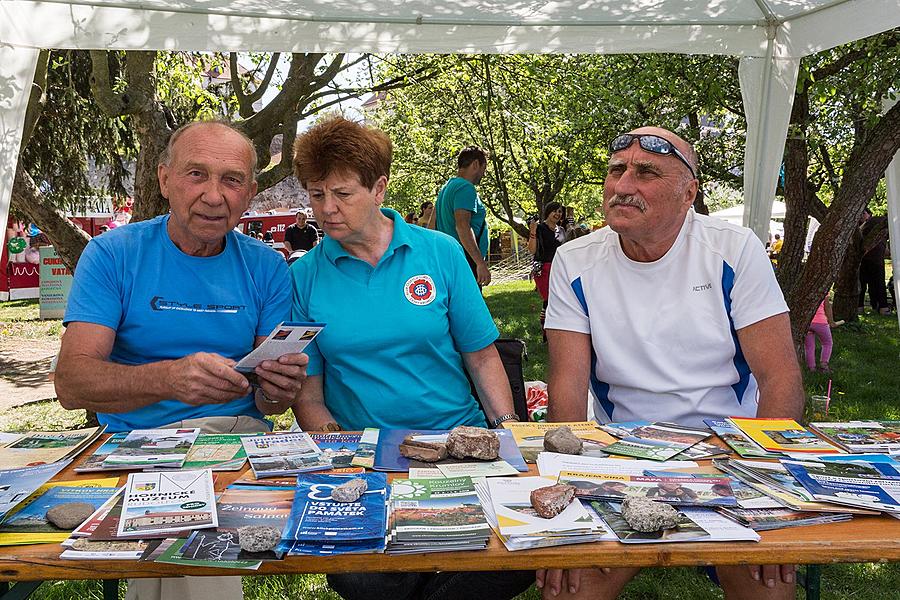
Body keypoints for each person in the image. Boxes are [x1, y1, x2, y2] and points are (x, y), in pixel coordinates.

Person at [541, 127, 804, 600]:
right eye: (616, 170)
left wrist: (768, 494)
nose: (622, 186)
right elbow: (567, 384)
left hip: (728, 451)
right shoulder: (573, 260)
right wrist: (568, 493)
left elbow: (780, 376)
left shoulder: (734, 249)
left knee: (769, 589)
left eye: (646, 173)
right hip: (619, 452)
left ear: (689, 193)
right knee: (571, 590)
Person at [54, 120, 308, 600]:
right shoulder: (112, 254)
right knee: (184, 566)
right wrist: (169, 380)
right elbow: (71, 385)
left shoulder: (267, 266)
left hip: (234, 447)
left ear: (250, 192)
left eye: (232, 180)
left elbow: (272, 405)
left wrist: (278, 387)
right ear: (164, 179)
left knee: (192, 565)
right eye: (197, 174)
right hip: (136, 446)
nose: (215, 196)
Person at [288, 116, 531, 600]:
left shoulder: (439, 252)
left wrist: (507, 432)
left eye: (342, 194)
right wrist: (343, 462)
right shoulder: (304, 276)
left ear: (379, 189)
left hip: (457, 446)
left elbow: (483, 358)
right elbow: (308, 392)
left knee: (504, 559)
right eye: (316, 195)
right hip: (366, 459)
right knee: (367, 578)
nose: (327, 210)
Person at [435, 146, 491, 287]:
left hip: (449, 260)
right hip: (465, 261)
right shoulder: (465, 188)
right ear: (476, 164)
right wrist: (480, 263)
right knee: (470, 307)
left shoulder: (446, 188)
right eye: (484, 168)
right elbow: (462, 226)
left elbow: (431, 227)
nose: (484, 173)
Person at [527, 202, 564, 339]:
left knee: (556, 300)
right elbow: (531, 250)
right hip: (543, 268)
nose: (558, 214)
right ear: (548, 212)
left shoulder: (561, 230)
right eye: (555, 211)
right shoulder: (540, 228)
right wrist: (532, 231)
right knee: (549, 299)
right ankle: (546, 329)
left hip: (559, 268)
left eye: (560, 211)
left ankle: (550, 330)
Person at [805, 296, 839, 373]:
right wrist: (831, 322)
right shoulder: (823, 290)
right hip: (820, 322)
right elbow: (827, 306)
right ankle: (824, 365)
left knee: (809, 347)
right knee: (827, 343)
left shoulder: (803, 289)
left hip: (807, 322)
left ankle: (811, 368)